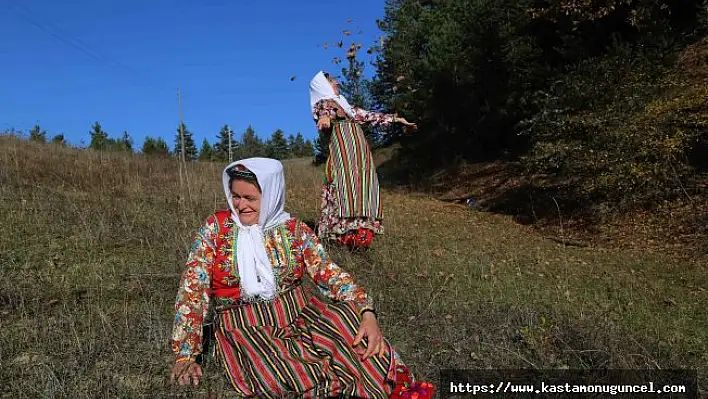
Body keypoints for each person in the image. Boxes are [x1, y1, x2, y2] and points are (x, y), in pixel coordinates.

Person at [168, 158, 433, 398]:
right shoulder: (216, 227)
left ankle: (392, 387)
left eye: (250, 197)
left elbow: (327, 272)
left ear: (270, 196)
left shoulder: (294, 229)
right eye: (235, 196)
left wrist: (366, 311)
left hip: (299, 311)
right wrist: (185, 354)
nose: (240, 205)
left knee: (346, 322)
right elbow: (193, 288)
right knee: (281, 367)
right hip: (244, 325)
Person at [309, 71, 416, 250]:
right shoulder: (325, 103)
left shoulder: (349, 108)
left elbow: (370, 116)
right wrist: (326, 117)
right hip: (343, 152)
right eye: (332, 81)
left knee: (363, 186)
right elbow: (324, 113)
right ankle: (340, 235)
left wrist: (397, 119)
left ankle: (360, 234)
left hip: (359, 152)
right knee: (345, 185)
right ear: (324, 86)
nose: (337, 83)